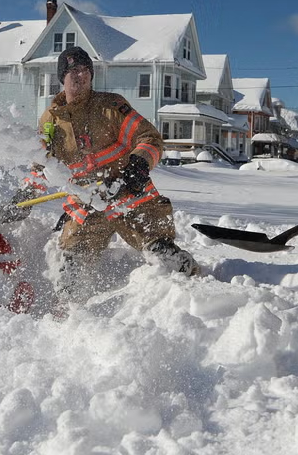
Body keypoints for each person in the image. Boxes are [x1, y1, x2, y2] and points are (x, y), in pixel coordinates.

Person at [36, 46, 198, 300]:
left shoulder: (110, 107)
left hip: (132, 197)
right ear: (62, 77)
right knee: (69, 276)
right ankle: (68, 324)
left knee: (167, 261)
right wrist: (20, 199)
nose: (82, 76)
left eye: (86, 70)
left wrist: (139, 164)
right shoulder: (49, 121)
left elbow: (150, 138)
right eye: (74, 71)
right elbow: (40, 165)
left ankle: (200, 295)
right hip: (88, 206)